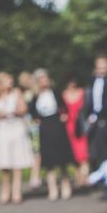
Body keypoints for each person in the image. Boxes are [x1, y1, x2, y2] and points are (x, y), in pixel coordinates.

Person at [0, 72, 34, 205]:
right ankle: (5, 190)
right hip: (3, 130)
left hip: (17, 129)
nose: (10, 82)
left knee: (17, 162)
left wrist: (15, 112)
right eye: (7, 80)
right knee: (5, 162)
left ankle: (17, 191)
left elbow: (24, 109)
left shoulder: (16, 92)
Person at [31, 69, 73, 202]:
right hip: (45, 127)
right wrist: (36, 119)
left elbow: (64, 106)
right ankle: (52, 189)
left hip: (57, 125)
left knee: (61, 160)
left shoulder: (55, 92)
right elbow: (32, 111)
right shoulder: (36, 96)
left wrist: (64, 115)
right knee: (49, 161)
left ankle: (66, 185)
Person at [78, 54, 107, 169]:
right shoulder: (92, 81)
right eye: (99, 65)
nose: (101, 67)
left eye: (104, 64)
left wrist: (95, 116)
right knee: (98, 149)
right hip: (95, 121)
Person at [62, 75, 90, 186]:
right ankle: (78, 177)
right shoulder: (63, 95)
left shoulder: (83, 93)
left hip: (81, 125)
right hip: (69, 126)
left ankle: (84, 177)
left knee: (84, 153)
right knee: (73, 154)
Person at [17, 70, 41, 190]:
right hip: (23, 125)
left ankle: (35, 176)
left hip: (33, 125)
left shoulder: (36, 94)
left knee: (36, 150)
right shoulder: (20, 94)